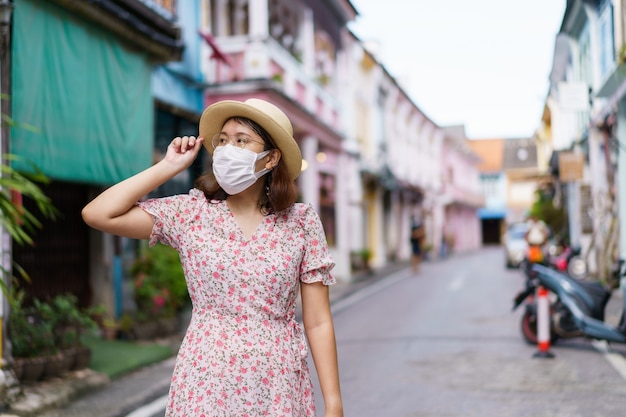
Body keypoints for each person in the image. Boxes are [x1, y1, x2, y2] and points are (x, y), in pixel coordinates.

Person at [82, 98, 343, 417]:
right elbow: (98, 213)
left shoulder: (300, 222)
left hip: (278, 382)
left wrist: (334, 402)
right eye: (222, 140)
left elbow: (317, 321)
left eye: (241, 140)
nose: (226, 148)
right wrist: (168, 167)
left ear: (271, 158)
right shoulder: (190, 213)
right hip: (207, 381)